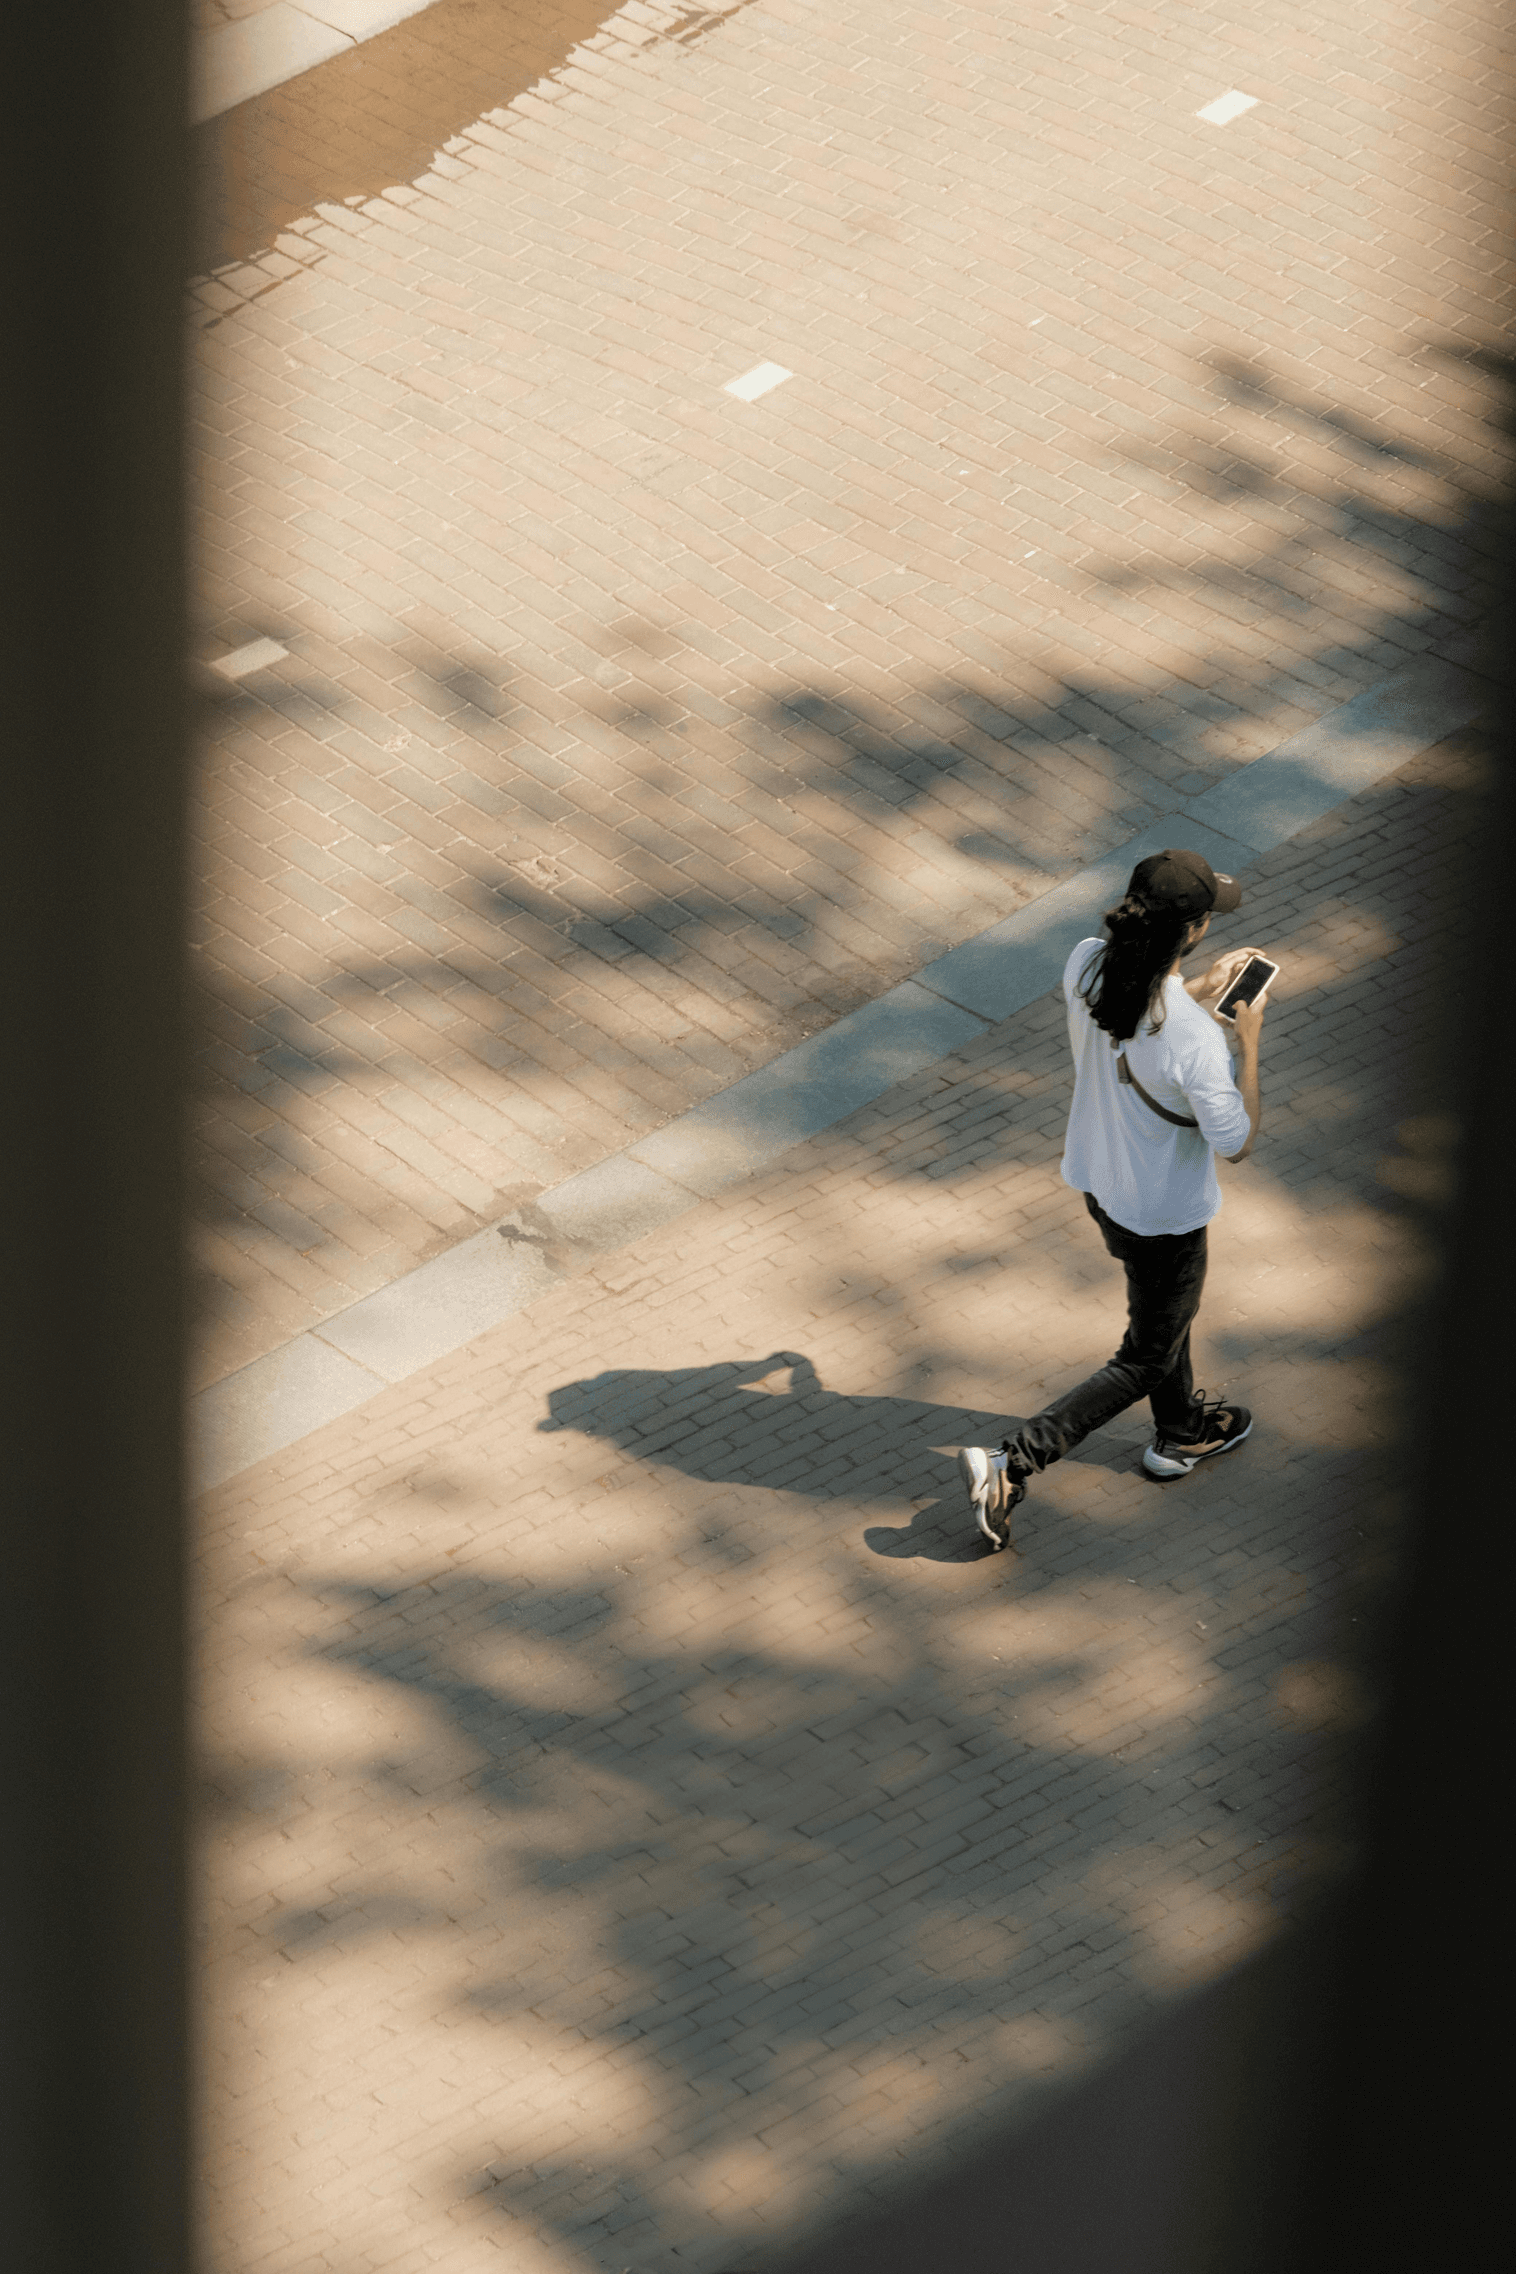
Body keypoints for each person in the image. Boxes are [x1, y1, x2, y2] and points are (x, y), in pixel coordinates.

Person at [957, 848, 1269, 1551]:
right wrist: (1247, 1041)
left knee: (1164, 1315)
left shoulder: (1088, 964)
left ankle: (1180, 1434)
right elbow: (1237, 1141)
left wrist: (1196, 990)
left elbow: (1141, 1017)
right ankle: (1014, 1461)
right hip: (1163, 1212)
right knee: (1145, 1354)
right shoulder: (1195, 1037)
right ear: (1193, 931)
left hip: (1102, 1185)